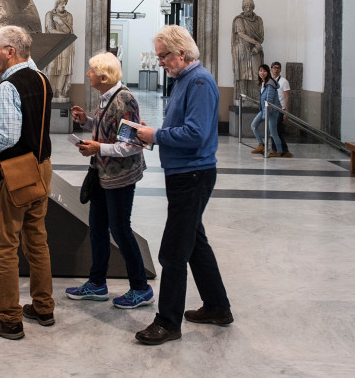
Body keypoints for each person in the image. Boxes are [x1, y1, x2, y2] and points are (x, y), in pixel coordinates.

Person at [134, 25, 232, 346]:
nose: (160, 61)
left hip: (193, 175)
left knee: (174, 251)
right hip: (183, 175)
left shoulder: (199, 82)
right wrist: (153, 132)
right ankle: (218, 307)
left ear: (182, 53)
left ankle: (168, 322)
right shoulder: (183, 81)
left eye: (164, 56)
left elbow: (196, 134)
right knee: (195, 243)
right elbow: (183, 126)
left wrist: (156, 136)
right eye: (159, 56)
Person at [0, 25, 55, 340]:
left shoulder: (8, 86)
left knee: (4, 244)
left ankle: (9, 319)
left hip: (16, 173)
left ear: (10, 52)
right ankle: (43, 307)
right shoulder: (42, 79)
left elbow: (8, 135)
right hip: (43, 167)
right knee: (37, 239)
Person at [68, 52, 151, 309]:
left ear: (104, 76)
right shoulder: (106, 98)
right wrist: (88, 121)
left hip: (120, 176)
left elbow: (132, 144)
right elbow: (111, 128)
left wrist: (98, 149)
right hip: (104, 175)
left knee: (120, 230)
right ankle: (97, 283)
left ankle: (141, 288)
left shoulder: (124, 100)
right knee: (98, 227)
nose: (87, 74)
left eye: (91, 71)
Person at [231, 0, 264, 103]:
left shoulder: (259, 20)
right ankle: (242, 98)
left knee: (256, 74)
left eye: (250, 7)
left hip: (255, 51)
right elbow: (241, 34)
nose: (248, 9)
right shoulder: (239, 20)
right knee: (242, 75)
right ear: (243, 7)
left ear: (253, 7)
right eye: (245, 7)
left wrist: (258, 47)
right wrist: (256, 43)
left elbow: (261, 37)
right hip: (242, 50)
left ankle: (257, 98)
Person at [43, 0, 74, 101]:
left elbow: (69, 31)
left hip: (66, 45)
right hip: (54, 45)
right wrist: (63, 34)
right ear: (57, 3)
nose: (64, 5)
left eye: (65, 3)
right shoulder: (49, 14)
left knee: (64, 69)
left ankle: (59, 92)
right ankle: (48, 91)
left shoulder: (69, 16)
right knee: (51, 67)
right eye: (61, 3)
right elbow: (50, 30)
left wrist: (60, 22)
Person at [250, 64, 283, 157]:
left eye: (264, 71)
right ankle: (261, 145)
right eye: (260, 71)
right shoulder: (263, 83)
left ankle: (279, 152)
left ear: (268, 72)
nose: (262, 73)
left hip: (272, 111)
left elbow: (269, 101)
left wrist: (265, 116)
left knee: (273, 133)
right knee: (253, 126)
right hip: (265, 110)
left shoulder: (270, 84)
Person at [270, 61, 292, 157]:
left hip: (280, 109)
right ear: (271, 69)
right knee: (272, 130)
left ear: (280, 69)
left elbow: (287, 97)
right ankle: (275, 149)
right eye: (274, 67)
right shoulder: (269, 80)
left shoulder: (284, 81)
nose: (276, 69)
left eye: (278, 68)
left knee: (278, 131)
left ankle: (283, 150)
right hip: (271, 110)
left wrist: (286, 112)